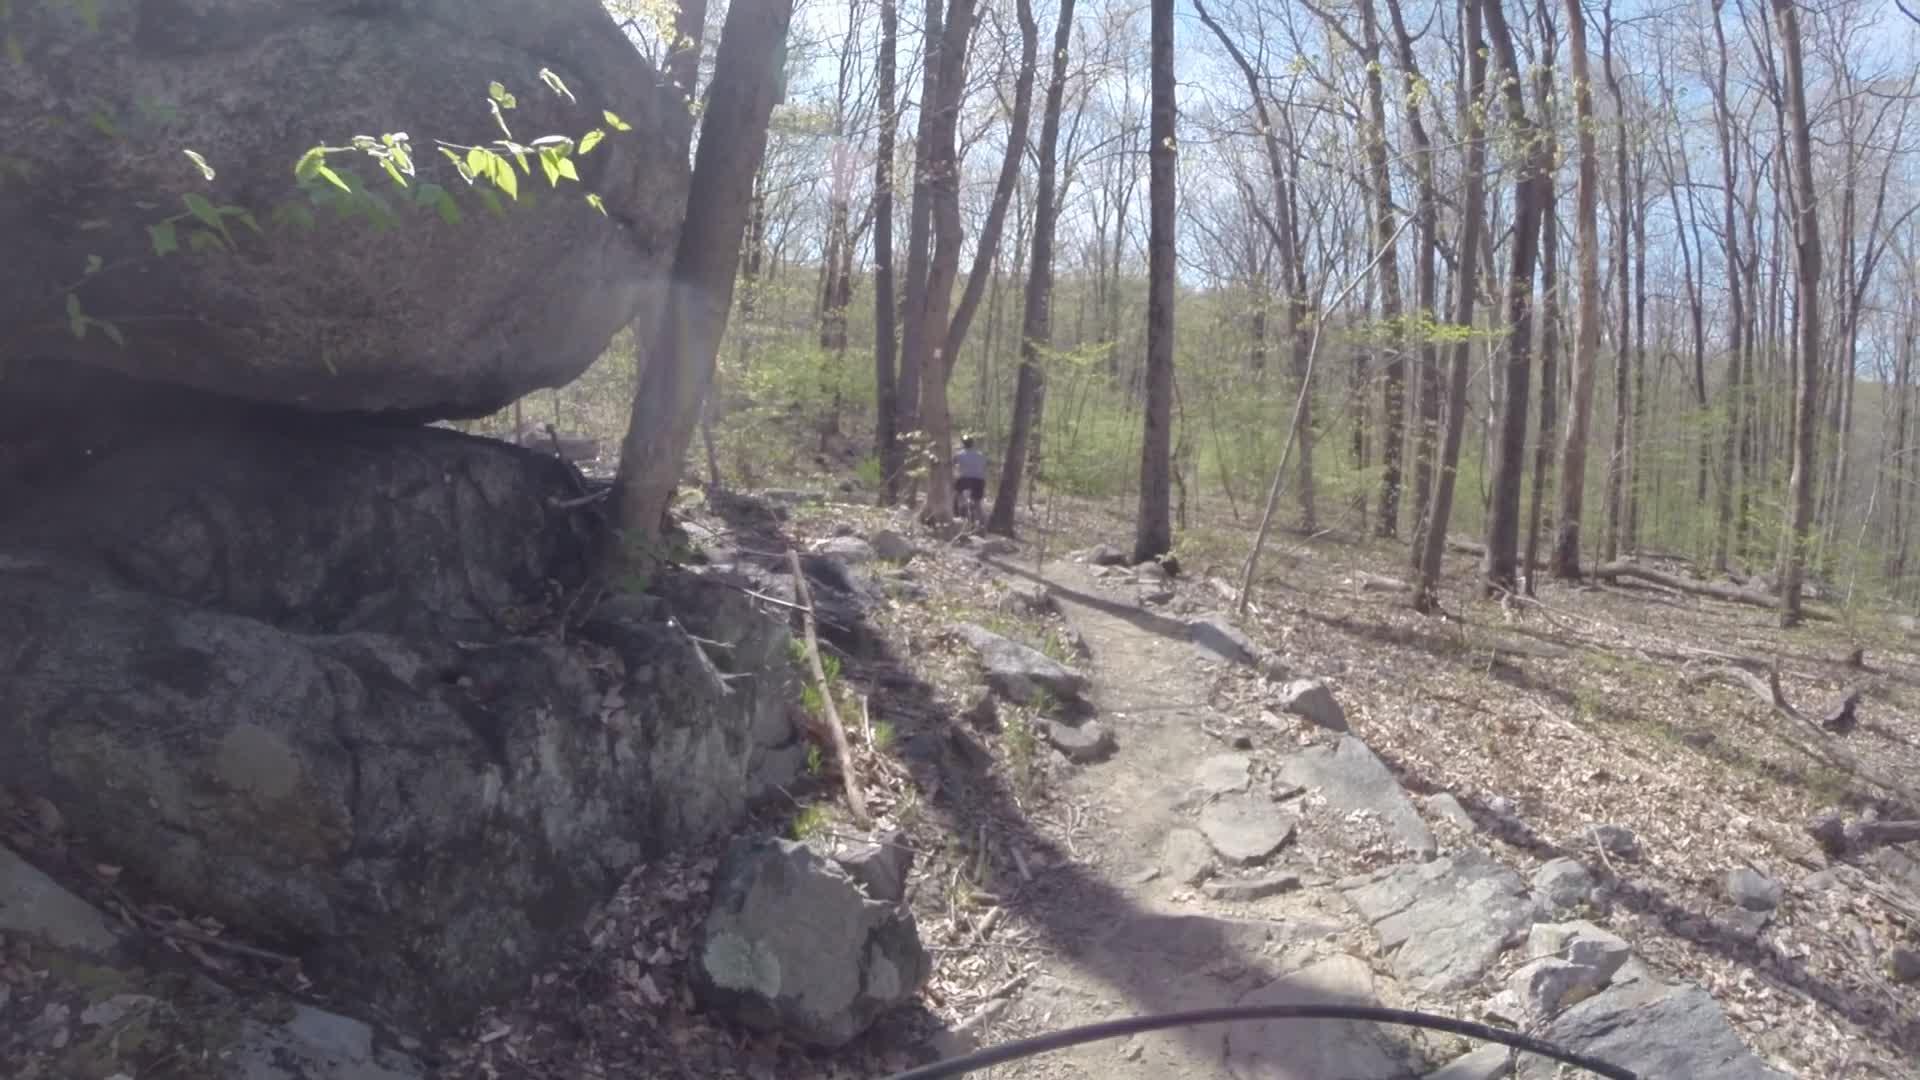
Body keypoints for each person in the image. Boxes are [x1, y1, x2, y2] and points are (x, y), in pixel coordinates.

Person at [953, 436, 988, 520]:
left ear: (963, 444)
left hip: (964, 479)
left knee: (958, 494)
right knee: (977, 502)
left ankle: (961, 509)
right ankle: (982, 523)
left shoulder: (959, 454)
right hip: (979, 480)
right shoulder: (980, 455)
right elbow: (984, 466)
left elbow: (952, 463)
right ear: (973, 444)